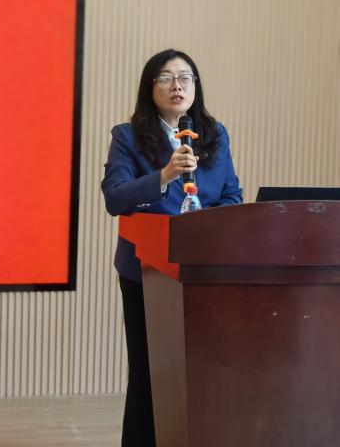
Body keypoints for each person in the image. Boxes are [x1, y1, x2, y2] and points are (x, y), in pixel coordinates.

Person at [101, 48, 242, 447]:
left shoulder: (214, 134)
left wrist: (211, 226)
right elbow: (115, 198)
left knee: (201, 371)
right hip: (147, 270)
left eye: (185, 77)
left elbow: (231, 195)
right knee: (150, 372)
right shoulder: (128, 136)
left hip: (204, 270)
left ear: (196, 87)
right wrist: (164, 175)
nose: (177, 85)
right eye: (165, 77)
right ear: (151, 88)